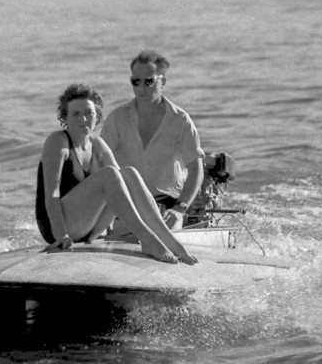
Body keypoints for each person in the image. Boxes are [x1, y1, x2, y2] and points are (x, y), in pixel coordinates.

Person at [35, 83, 197, 265]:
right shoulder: (58, 142)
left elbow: (122, 187)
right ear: (65, 118)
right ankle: (148, 240)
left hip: (90, 229)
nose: (84, 119)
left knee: (129, 173)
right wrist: (61, 235)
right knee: (109, 174)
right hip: (57, 228)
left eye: (89, 113)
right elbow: (51, 194)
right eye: (75, 114)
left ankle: (170, 241)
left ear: (97, 116)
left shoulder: (97, 146)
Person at [101, 51, 205, 231]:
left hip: (167, 209)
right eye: (136, 82)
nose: (142, 87)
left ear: (162, 81)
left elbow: (196, 168)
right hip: (126, 207)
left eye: (149, 81)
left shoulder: (181, 120)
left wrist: (180, 210)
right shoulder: (117, 119)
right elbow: (100, 165)